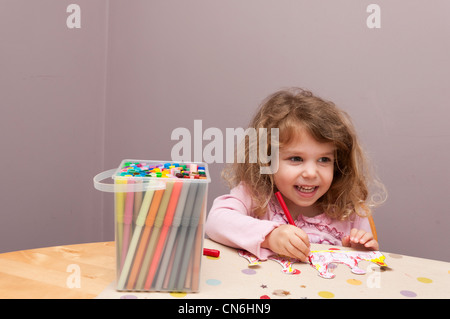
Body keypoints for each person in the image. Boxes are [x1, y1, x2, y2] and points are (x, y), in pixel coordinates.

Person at [205, 88, 386, 262]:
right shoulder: (256, 195)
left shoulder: (349, 211)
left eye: (323, 160)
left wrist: (363, 254)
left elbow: (364, 275)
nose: (310, 173)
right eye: (296, 158)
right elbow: (215, 221)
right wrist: (270, 236)